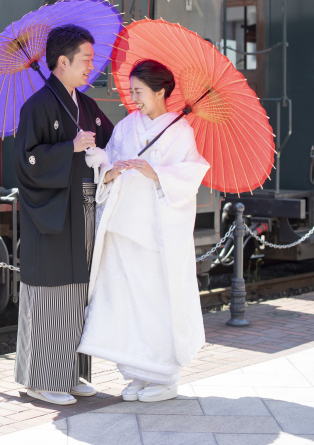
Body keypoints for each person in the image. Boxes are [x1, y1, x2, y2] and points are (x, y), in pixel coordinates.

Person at [77, 59, 210, 403]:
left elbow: (191, 175)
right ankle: (136, 372)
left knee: (155, 303)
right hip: (124, 225)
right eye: (132, 91)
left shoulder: (181, 131)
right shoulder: (126, 127)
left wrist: (156, 174)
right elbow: (110, 160)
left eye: (139, 91)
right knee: (125, 302)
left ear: (160, 91)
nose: (133, 98)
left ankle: (164, 376)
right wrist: (108, 171)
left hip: (155, 232)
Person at [13, 24, 114, 406]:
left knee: (79, 294)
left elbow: (110, 139)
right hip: (50, 216)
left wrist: (111, 162)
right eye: (85, 60)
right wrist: (69, 147)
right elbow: (26, 162)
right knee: (49, 295)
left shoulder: (85, 105)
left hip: (83, 211)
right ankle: (40, 378)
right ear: (62, 61)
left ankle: (72, 373)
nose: (91, 66)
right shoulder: (37, 106)